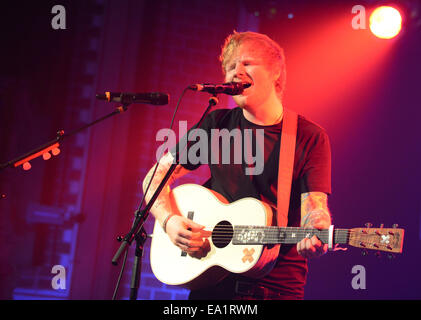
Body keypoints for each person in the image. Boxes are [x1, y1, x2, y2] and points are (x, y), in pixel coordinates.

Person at [142, 31, 332, 300]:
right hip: (211, 284)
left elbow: (315, 207)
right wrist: (170, 220)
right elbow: (156, 176)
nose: (235, 72)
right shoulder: (217, 124)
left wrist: (317, 230)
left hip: (275, 289)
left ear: (276, 72)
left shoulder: (308, 136)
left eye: (247, 63)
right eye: (230, 66)